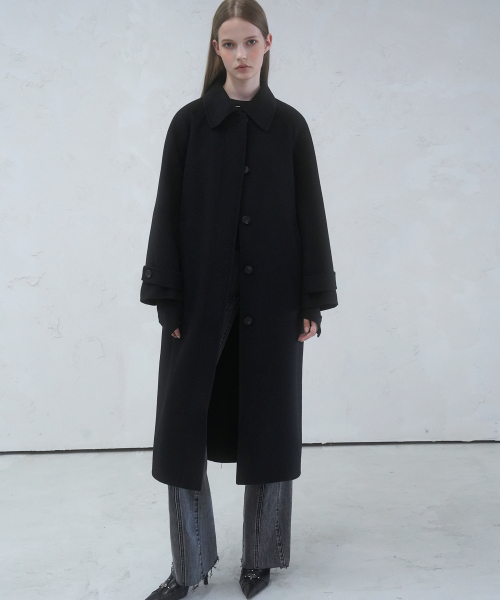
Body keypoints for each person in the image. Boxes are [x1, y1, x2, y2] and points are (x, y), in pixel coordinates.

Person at [140, 1, 337, 598]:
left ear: (268, 43)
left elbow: (311, 214)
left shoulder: (290, 127)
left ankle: (262, 557)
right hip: (200, 302)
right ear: (216, 50)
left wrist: (312, 299)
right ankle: (189, 564)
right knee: (182, 433)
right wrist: (168, 301)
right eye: (229, 44)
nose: (241, 54)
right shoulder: (189, 125)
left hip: (273, 301)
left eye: (250, 41)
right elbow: (166, 214)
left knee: (269, 427)